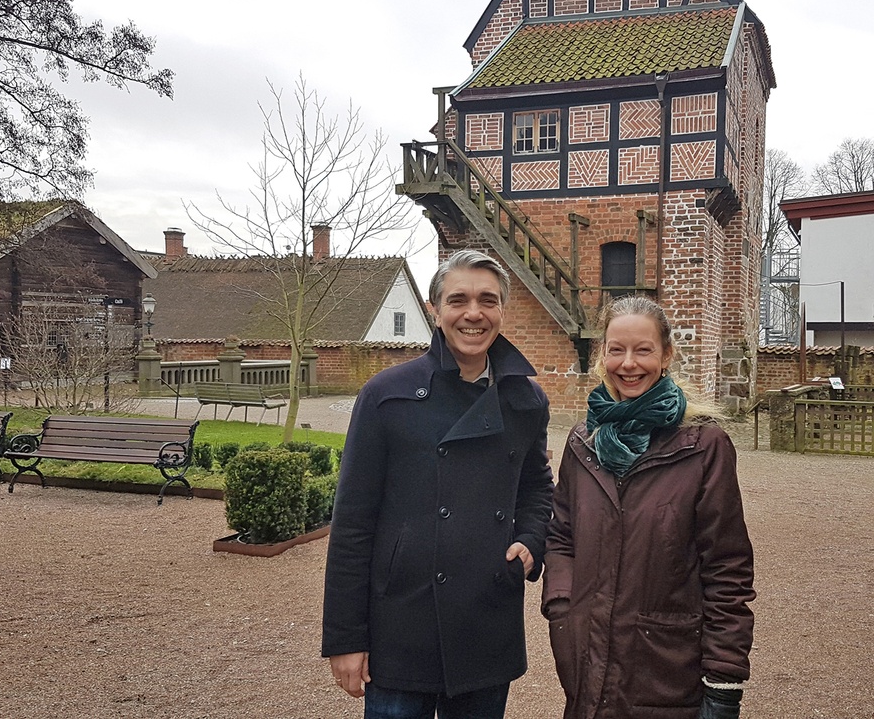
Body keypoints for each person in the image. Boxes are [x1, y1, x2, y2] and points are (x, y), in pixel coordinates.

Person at [322, 249, 555, 718]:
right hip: (400, 623)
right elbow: (352, 523)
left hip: (485, 617)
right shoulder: (387, 395)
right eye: (458, 300)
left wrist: (531, 541)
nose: (474, 313)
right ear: (435, 309)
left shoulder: (526, 398)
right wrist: (346, 638)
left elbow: (537, 486)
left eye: (488, 300)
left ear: (502, 311)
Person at [542, 296, 755, 719]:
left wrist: (724, 682)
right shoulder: (584, 442)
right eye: (617, 349)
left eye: (643, 350)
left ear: (666, 355)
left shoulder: (703, 446)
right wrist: (563, 608)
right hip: (588, 663)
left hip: (666, 669)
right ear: (603, 353)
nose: (628, 363)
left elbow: (726, 568)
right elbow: (562, 535)